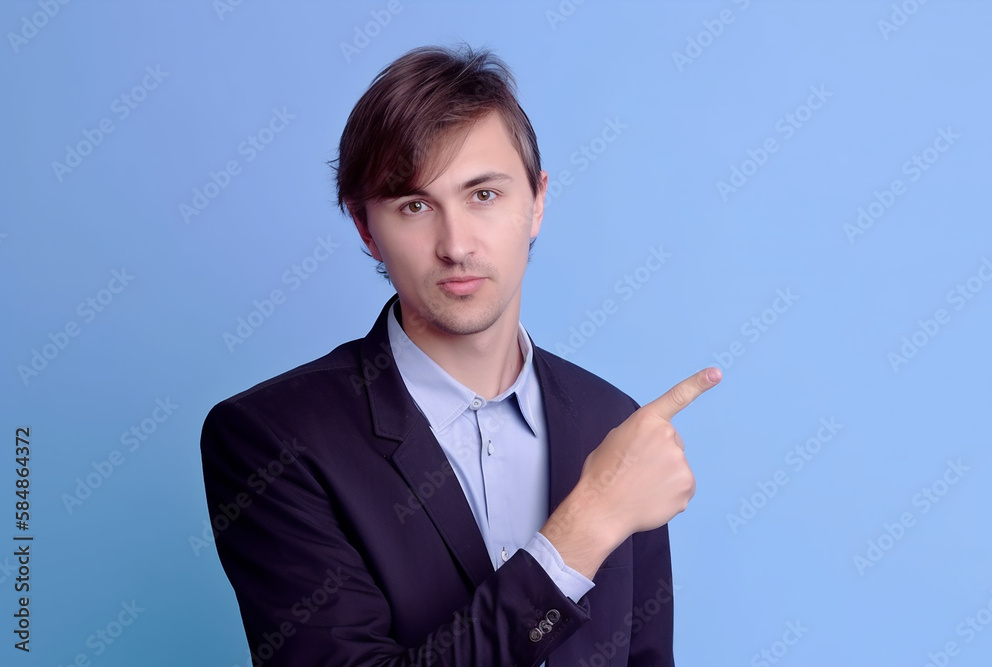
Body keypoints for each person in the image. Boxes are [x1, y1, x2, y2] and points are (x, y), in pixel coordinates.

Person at [200, 44, 721, 667]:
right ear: (366, 230)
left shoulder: (614, 423)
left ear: (537, 201)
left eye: (483, 195)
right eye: (414, 206)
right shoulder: (274, 438)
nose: (455, 245)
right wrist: (586, 525)